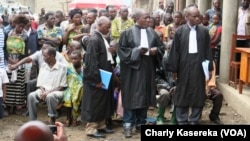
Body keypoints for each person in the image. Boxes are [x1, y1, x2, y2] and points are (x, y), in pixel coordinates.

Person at [117, 8, 164, 137]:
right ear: (137, 19)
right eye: (145, 17)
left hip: (147, 70)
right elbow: (122, 51)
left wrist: (156, 51)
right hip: (132, 71)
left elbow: (161, 48)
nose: (149, 20)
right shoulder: (127, 33)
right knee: (132, 96)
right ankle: (128, 124)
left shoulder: (152, 33)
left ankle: (141, 123)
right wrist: (138, 51)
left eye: (149, 17)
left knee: (144, 95)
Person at [166, 5, 213, 125]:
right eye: (195, 16)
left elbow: (208, 50)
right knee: (182, 92)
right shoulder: (180, 32)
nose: (198, 18)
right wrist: (174, 69)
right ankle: (182, 119)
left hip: (199, 66)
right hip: (184, 67)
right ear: (187, 17)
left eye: (199, 16)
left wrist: (209, 68)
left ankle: (194, 119)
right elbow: (175, 52)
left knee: (198, 93)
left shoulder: (204, 31)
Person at [81, 16, 115, 138]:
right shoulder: (95, 40)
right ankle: (91, 129)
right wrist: (96, 79)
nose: (109, 29)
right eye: (107, 26)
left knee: (102, 102)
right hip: (97, 78)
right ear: (99, 25)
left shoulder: (101, 38)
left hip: (104, 76)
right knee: (94, 103)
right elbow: (92, 62)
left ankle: (101, 125)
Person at [27, 47, 67, 124]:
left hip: (57, 91)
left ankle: (52, 119)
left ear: (52, 56)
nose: (43, 57)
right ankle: (32, 121)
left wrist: (48, 92)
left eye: (45, 56)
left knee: (50, 96)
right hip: (44, 90)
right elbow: (40, 82)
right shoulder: (43, 66)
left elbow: (62, 86)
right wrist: (43, 91)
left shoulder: (62, 67)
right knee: (31, 95)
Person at [4, 14, 29, 115]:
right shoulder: (7, 33)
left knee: (18, 86)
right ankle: (8, 107)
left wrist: (18, 61)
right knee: (9, 85)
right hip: (8, 63)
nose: (21, 28)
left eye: (23, 26)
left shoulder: (25, 35)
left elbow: (26, 52)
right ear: (15, 24)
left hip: (20, 64)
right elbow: (3, 48)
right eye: (19, 26)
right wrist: (9, 59)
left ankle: (15, 107)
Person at [63, 50, 83, 127]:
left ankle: (75, 117)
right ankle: (68, 118)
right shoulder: (68, 68)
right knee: (68, 96)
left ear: (81, 58)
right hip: (70, 87)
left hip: (81, 88)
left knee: (77, 95)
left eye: (76, 58)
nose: (74, 60)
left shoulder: (84, 67)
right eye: (72, 58)